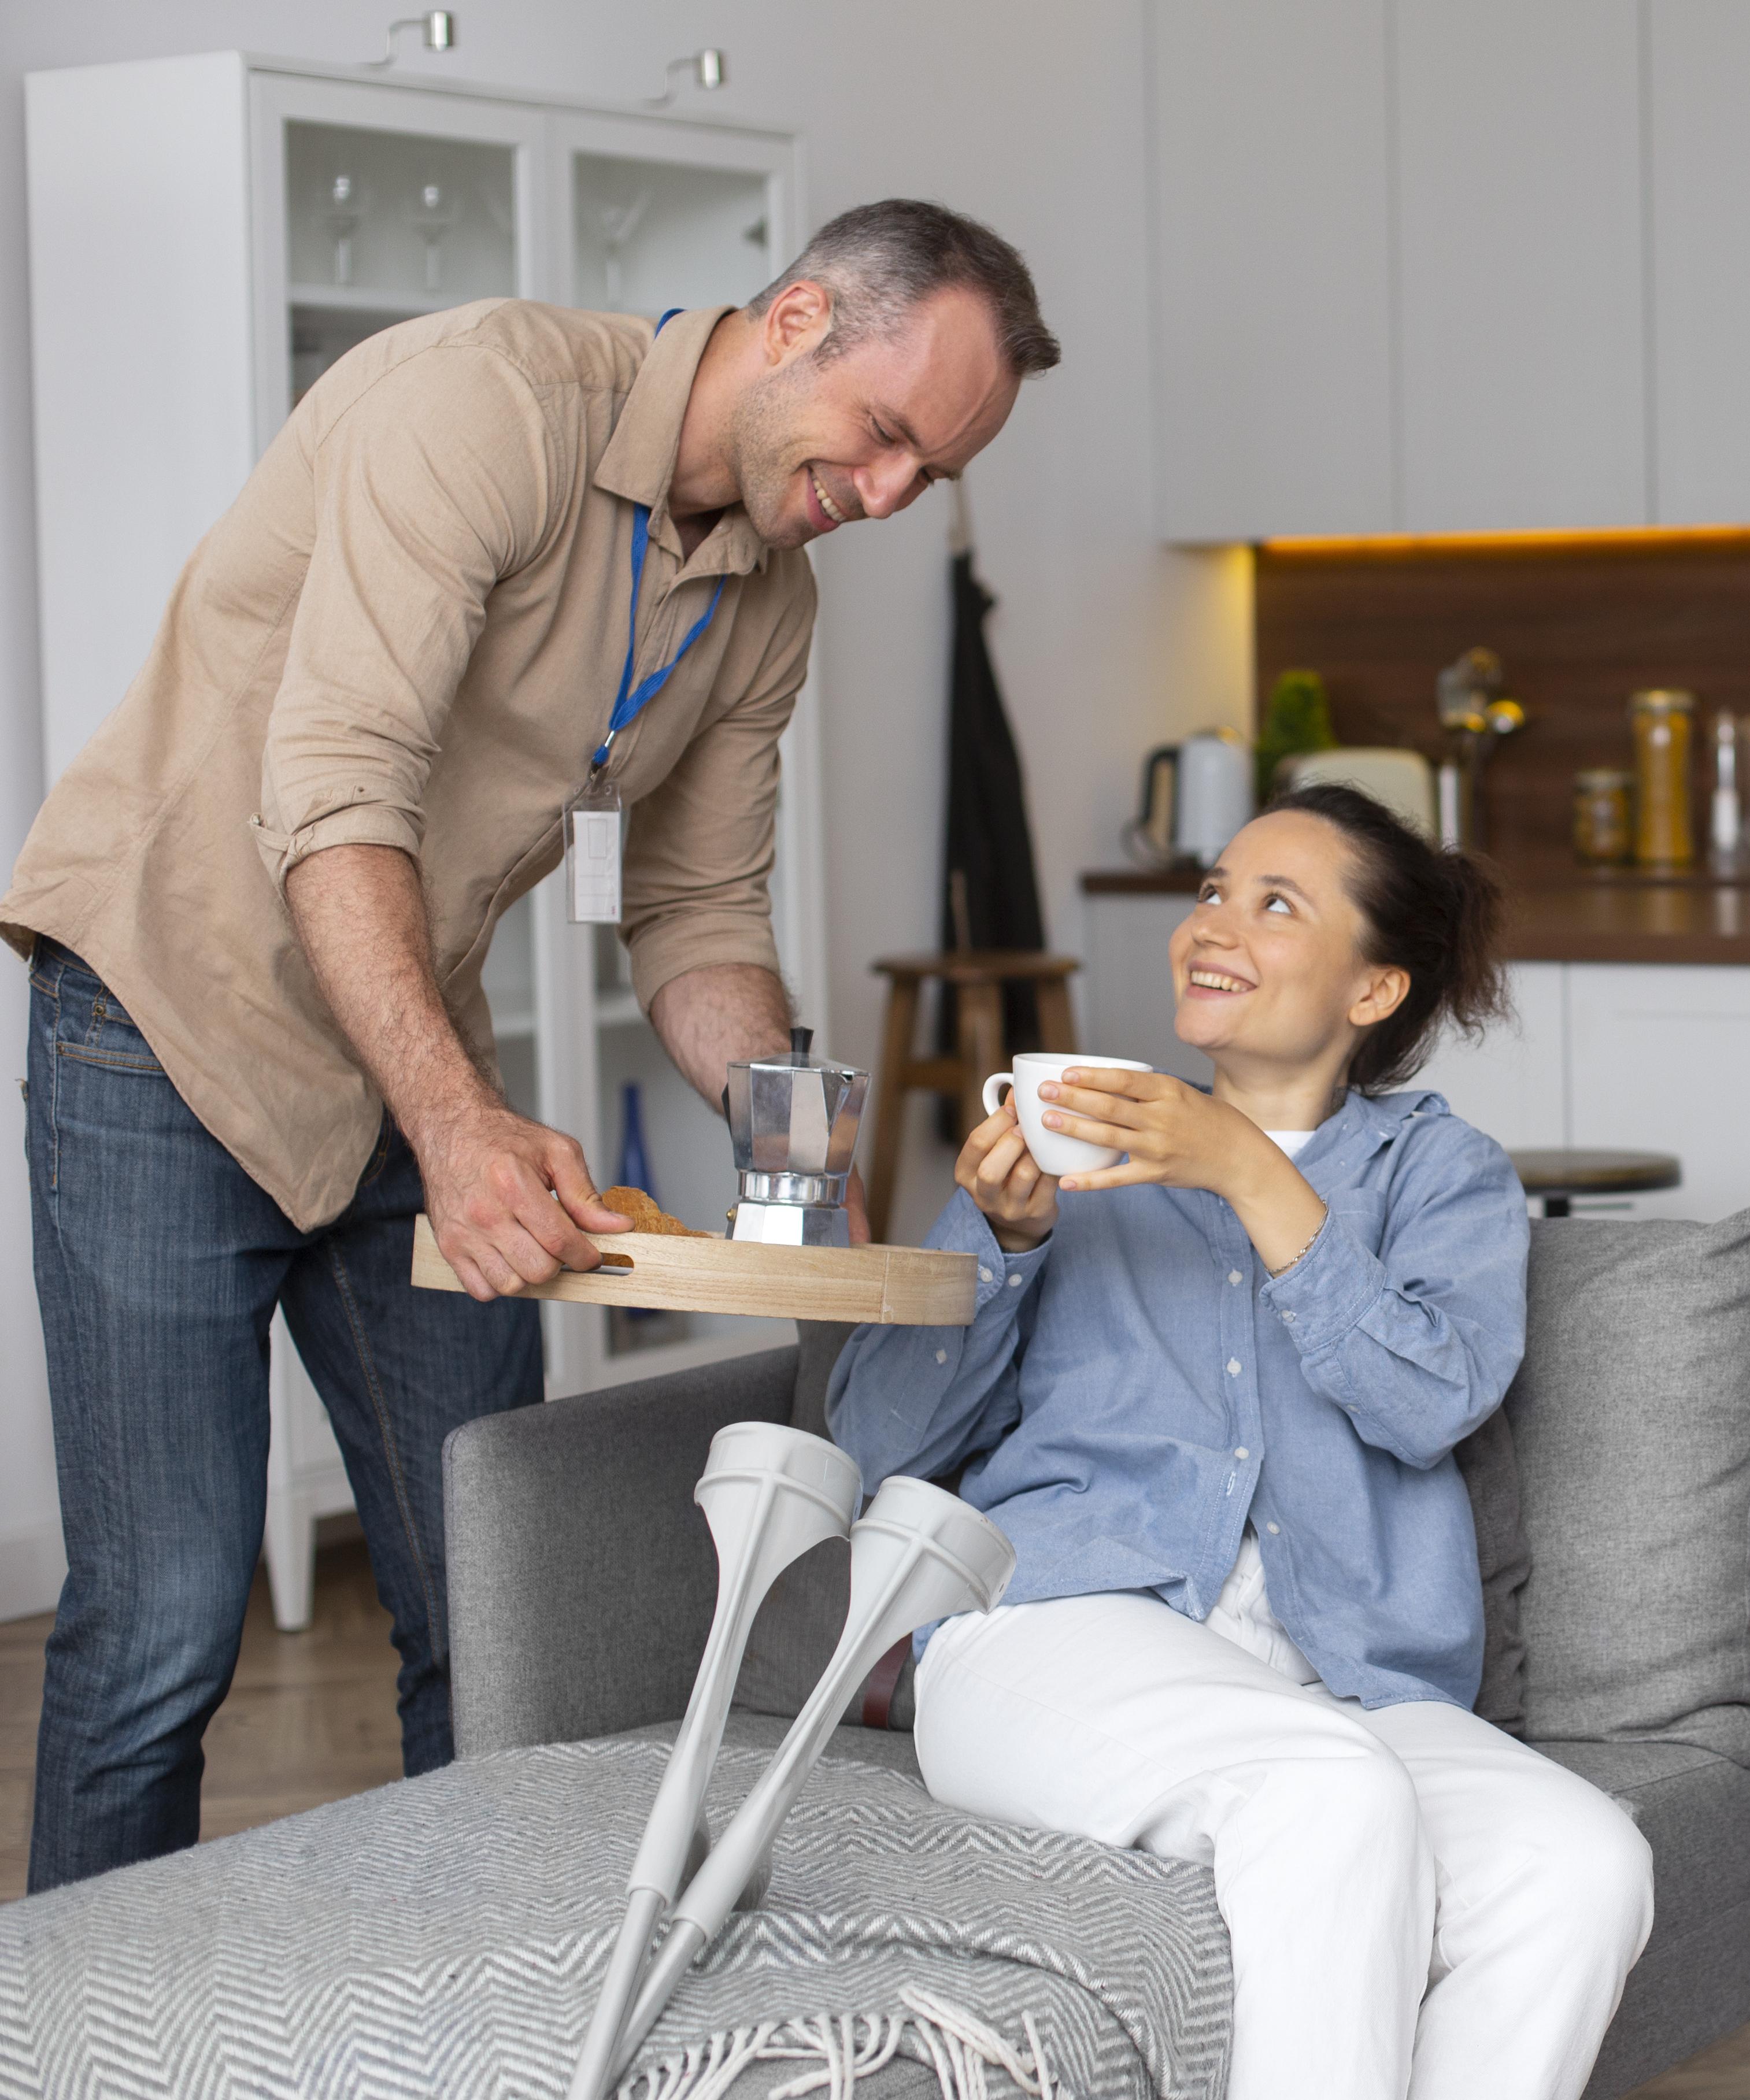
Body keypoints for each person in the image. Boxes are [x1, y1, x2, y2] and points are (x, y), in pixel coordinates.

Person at [3, 199, 1058, 1892]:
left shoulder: (765, 599)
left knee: (486, 1592)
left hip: (406, 1059)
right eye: (881, 439)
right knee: (165, 1622)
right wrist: (459, 1119)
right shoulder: (479, 407)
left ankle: (495, 2008)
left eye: (927, 476)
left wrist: (801, 1151)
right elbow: (338, 793)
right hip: (163, 1018)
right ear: (793, 322)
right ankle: (61, 2037)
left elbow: (701, 910)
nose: (883, 498)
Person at [827, 786, 1654, 2100]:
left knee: (1583, 1859)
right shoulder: (1076, 1142)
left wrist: (1246, 1172)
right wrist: (1003, 1242)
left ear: (1372, 989)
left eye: (1277, 904)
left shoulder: (1441, 1178)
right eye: (1213, 889)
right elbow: (878, 1434)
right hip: (1051, 1628)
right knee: (1326, 1798)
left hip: (1348, 1682)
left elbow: (1429, 1398)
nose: (1215, 923)